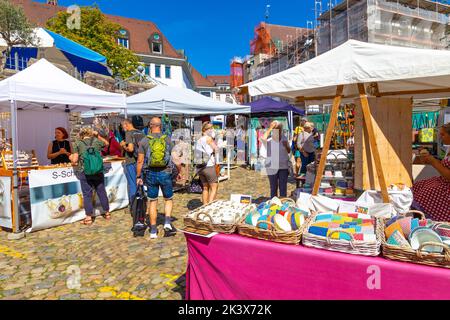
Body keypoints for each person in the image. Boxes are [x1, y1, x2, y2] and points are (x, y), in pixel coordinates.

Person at [136, 117, 176, 239]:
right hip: (166, 173)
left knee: (152, 201)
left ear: (150, 126)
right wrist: (178, 170)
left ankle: (153, 231)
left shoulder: (144, 141)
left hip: (150, 173)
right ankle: (167, 223)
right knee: (168, 199)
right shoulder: (168, 140)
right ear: (160, 126)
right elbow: (173, 158)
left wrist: (138, 176)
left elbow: (140, 161)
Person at [70, 127, 111, 226]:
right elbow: (107, 143)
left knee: (87, 194)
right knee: (101, 191)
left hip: (84, 172)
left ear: (81, 134)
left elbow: (75, 160)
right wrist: (98, 136)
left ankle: (88, 217)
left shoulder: (78, 143)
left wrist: (70, 157)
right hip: (98, 171)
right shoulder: (97, 141)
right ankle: (107, 213)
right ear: (91, 133)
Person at [412, 123, 450, 222]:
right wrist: (429, 158)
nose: (441, 137)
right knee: (417, 186)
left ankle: (427, 221)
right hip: (442, 181)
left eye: (443, 135)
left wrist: (433, 162)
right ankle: (420, 219)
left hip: (447, 188)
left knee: (423, 195)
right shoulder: (448, 148)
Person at [261, 120, 291, 198]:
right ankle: (274, 204)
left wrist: (287, 146)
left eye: (279, 128)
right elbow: (263, 138)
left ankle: (283, 204)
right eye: (276, 128)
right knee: (273, 187)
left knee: (283, 188)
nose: (278, 130)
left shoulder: (284, 138)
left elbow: (289, 151)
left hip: (283, 166)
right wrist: (270, 128)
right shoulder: (269, 139)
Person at [120, 119, 145, 205]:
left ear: (126, 124)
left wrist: (123, 145)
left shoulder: (129, 133)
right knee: (140, 182)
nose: (123, 128)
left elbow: (130, 149)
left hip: (131, 161)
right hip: (141, 160)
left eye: (123, 126)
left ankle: (134, 205)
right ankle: (142, 203)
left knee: (132, 184)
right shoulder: (141, 133)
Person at [195, 122, 219, 205]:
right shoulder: (208, 138)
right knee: (214, 187)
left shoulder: (198, 140)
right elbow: (216, 149)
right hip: (208, 166)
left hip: (200, 167)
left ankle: (204, 206)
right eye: (211, 128)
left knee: (205, 188)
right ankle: (209, 207)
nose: (212, 130)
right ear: (207, 129)